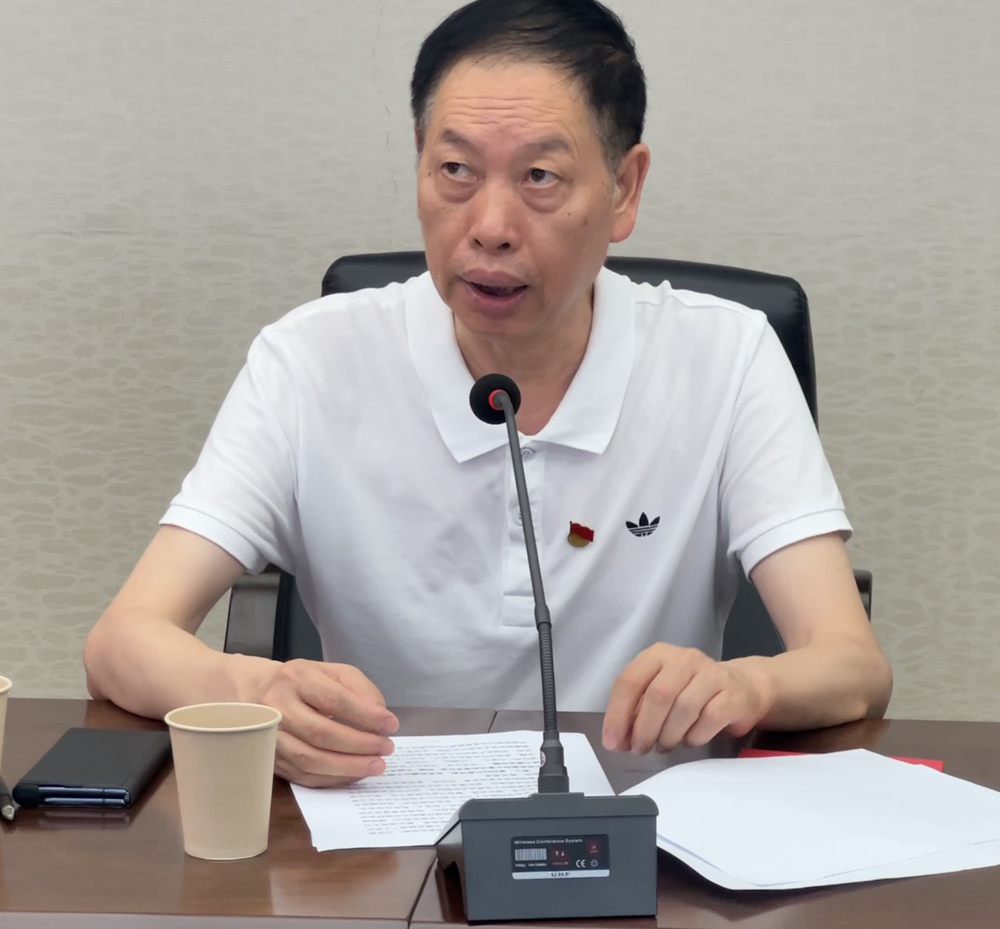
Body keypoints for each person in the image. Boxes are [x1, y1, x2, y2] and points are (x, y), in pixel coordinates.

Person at [84, 0, 892, 788]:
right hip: (378, 835)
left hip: (649, 833)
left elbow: (852, 662)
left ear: (624, 188)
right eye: (456, 171)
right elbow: (123, 639)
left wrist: (749, 684)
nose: (490, 225)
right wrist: (252, 690)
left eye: (540, 176)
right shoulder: (310, 360)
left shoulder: (725, 357)